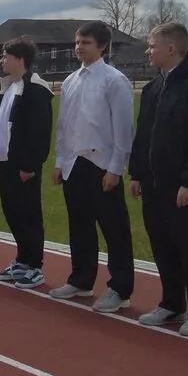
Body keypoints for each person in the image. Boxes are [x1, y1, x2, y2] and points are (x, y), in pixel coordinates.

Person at [130, 22, 188, 338]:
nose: (148, 51)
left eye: (152, 45)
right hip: (153, 185)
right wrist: (138, 173)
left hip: (183, 186)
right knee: (163, 247)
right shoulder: (153, 88)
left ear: (171, 48)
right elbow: (144, 135)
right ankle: (172, 304)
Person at [50, 22, 136, 313]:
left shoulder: (114, 80)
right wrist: (60, 161)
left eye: (85, 42)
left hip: (101, 164)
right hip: (74, 164)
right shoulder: (70, 81)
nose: (79, 47)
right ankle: (81, 280)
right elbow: (64, 125)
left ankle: (120, 288)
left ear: (102, 45)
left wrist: (115, 168)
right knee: (80, 227)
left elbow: (123, 128)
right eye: (77, 42)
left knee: (114, 229)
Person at [0, 39, 54, 288]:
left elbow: (39, 131)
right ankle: (22, 260)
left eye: (6, 56)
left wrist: (30, 165)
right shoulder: (8, 87)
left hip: (24, 165)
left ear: (20, 59)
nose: (2, 60)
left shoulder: (35, 90)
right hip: (6, 161)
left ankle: (35, 265)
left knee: (28, 214)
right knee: (12, 212)